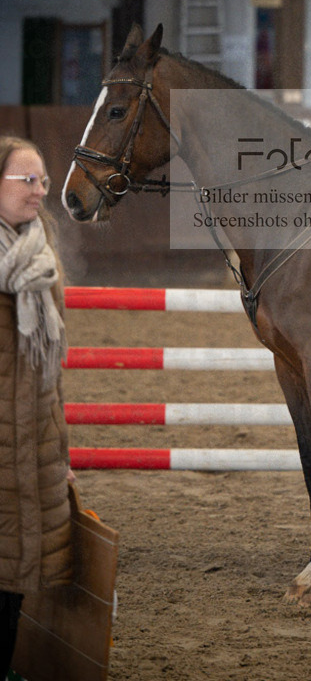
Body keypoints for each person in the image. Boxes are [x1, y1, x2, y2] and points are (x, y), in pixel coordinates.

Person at [0, 137, 73, 676]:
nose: (40, 190)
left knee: (17, 579)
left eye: (42, 180)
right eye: (27, 180)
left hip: (34, 450)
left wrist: (60, 450)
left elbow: (53, 370)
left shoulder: (43, 260)